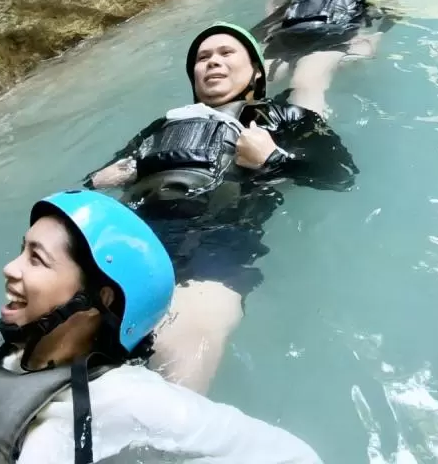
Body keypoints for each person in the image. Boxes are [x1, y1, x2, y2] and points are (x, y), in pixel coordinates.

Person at [0, 190, 325, 464]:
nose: (10, 268)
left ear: (99, 299)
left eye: (37, 259)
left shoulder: (122, 399)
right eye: (21, 250)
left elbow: (289, 455)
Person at [86, 23, 357, 393]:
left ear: (257, 72)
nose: (212, 62)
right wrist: (104, 177)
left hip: (217, 242)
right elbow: (97, 181)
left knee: (188, 333)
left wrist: (274, 158)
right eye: (202, 58)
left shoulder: (284, 118)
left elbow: (340, 174)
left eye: (226, 53)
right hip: (132, 236)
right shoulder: (162, 127)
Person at [260, 0, 397, 118]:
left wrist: (373, 39)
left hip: (333, 44)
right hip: (288, 45)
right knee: (255, 79)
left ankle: (307, 133)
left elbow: (391, 13)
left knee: (304, 80)